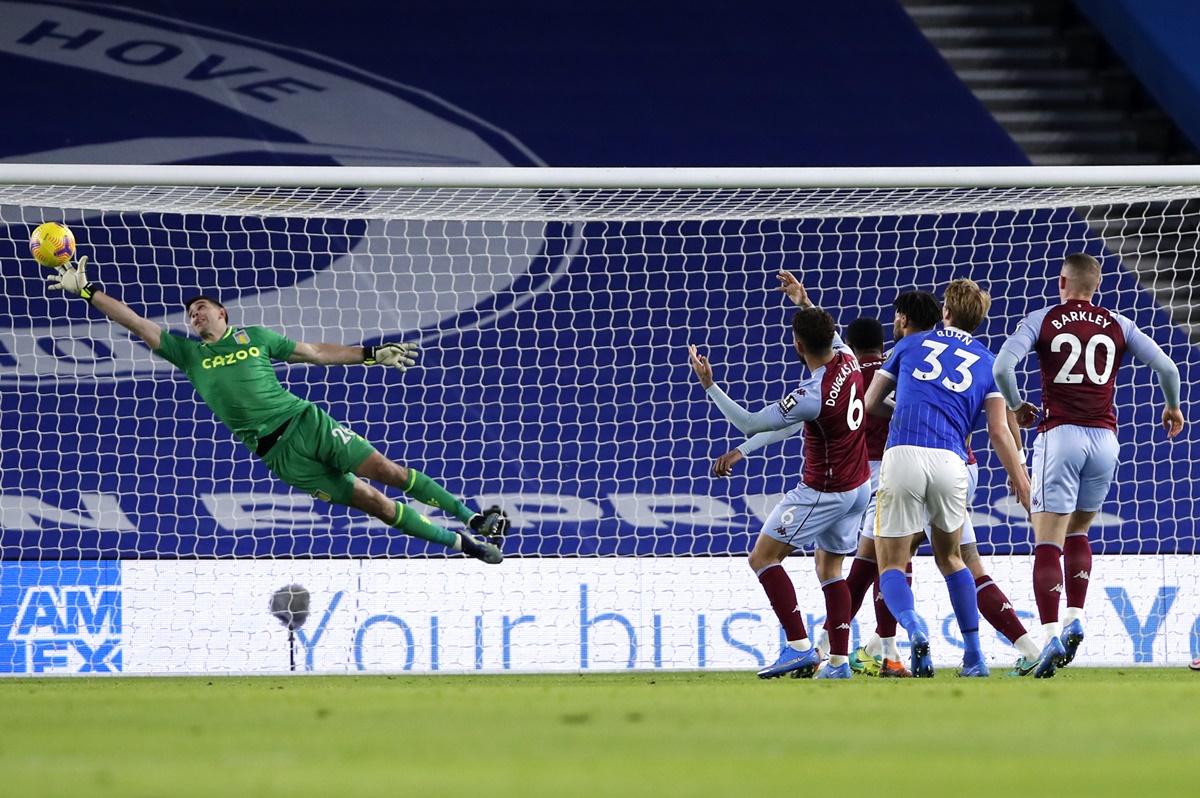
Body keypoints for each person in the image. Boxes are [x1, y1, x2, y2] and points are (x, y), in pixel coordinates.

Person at [47, 256, 508, 563]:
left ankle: (470, 515)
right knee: (375, 504)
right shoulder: (187, 354)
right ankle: (462, 542)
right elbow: (136, 321)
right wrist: (88, 292)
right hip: (278, 457)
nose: (195, 315)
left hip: (304, 423)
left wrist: (370, 355)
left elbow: (315, 353)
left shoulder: (256, 339)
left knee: (386, 470)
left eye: (202, 308)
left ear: (223, 314)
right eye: (190, 313)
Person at [993, 252, 1184, 677]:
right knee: (1079, 530)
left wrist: (1016, 405)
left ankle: (1048, 637)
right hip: (1105, 440)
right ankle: (1075, 614)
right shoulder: (1118, 323)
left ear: (1063, 281)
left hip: (1060, 434)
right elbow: (1168, 367)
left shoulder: (1042, 319)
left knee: (1047, 539)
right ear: (1096, 286)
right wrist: (1172, 406)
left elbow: (1003, 366)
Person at [690, 276, 870, 680]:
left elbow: (750, 421)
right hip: (859, 485)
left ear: (798, 346)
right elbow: (779, 429)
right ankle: (839, 664)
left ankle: (798, 647)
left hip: (824, 490)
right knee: (830, 571)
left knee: (763, 557)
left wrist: (710, 386)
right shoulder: (848, 358)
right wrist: (803, 299)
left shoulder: (810, 394)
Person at [864, 278, 1030, 677]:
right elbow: (998, 431)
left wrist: (909, 408)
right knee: (953, 558)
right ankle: (974, 656)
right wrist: (1021, 479)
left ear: (945, 313)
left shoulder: (909, 344)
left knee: (891, 562)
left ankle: (913, 626)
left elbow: (871, 402)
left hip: (903, 453)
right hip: (953, 460)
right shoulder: (990, 363)